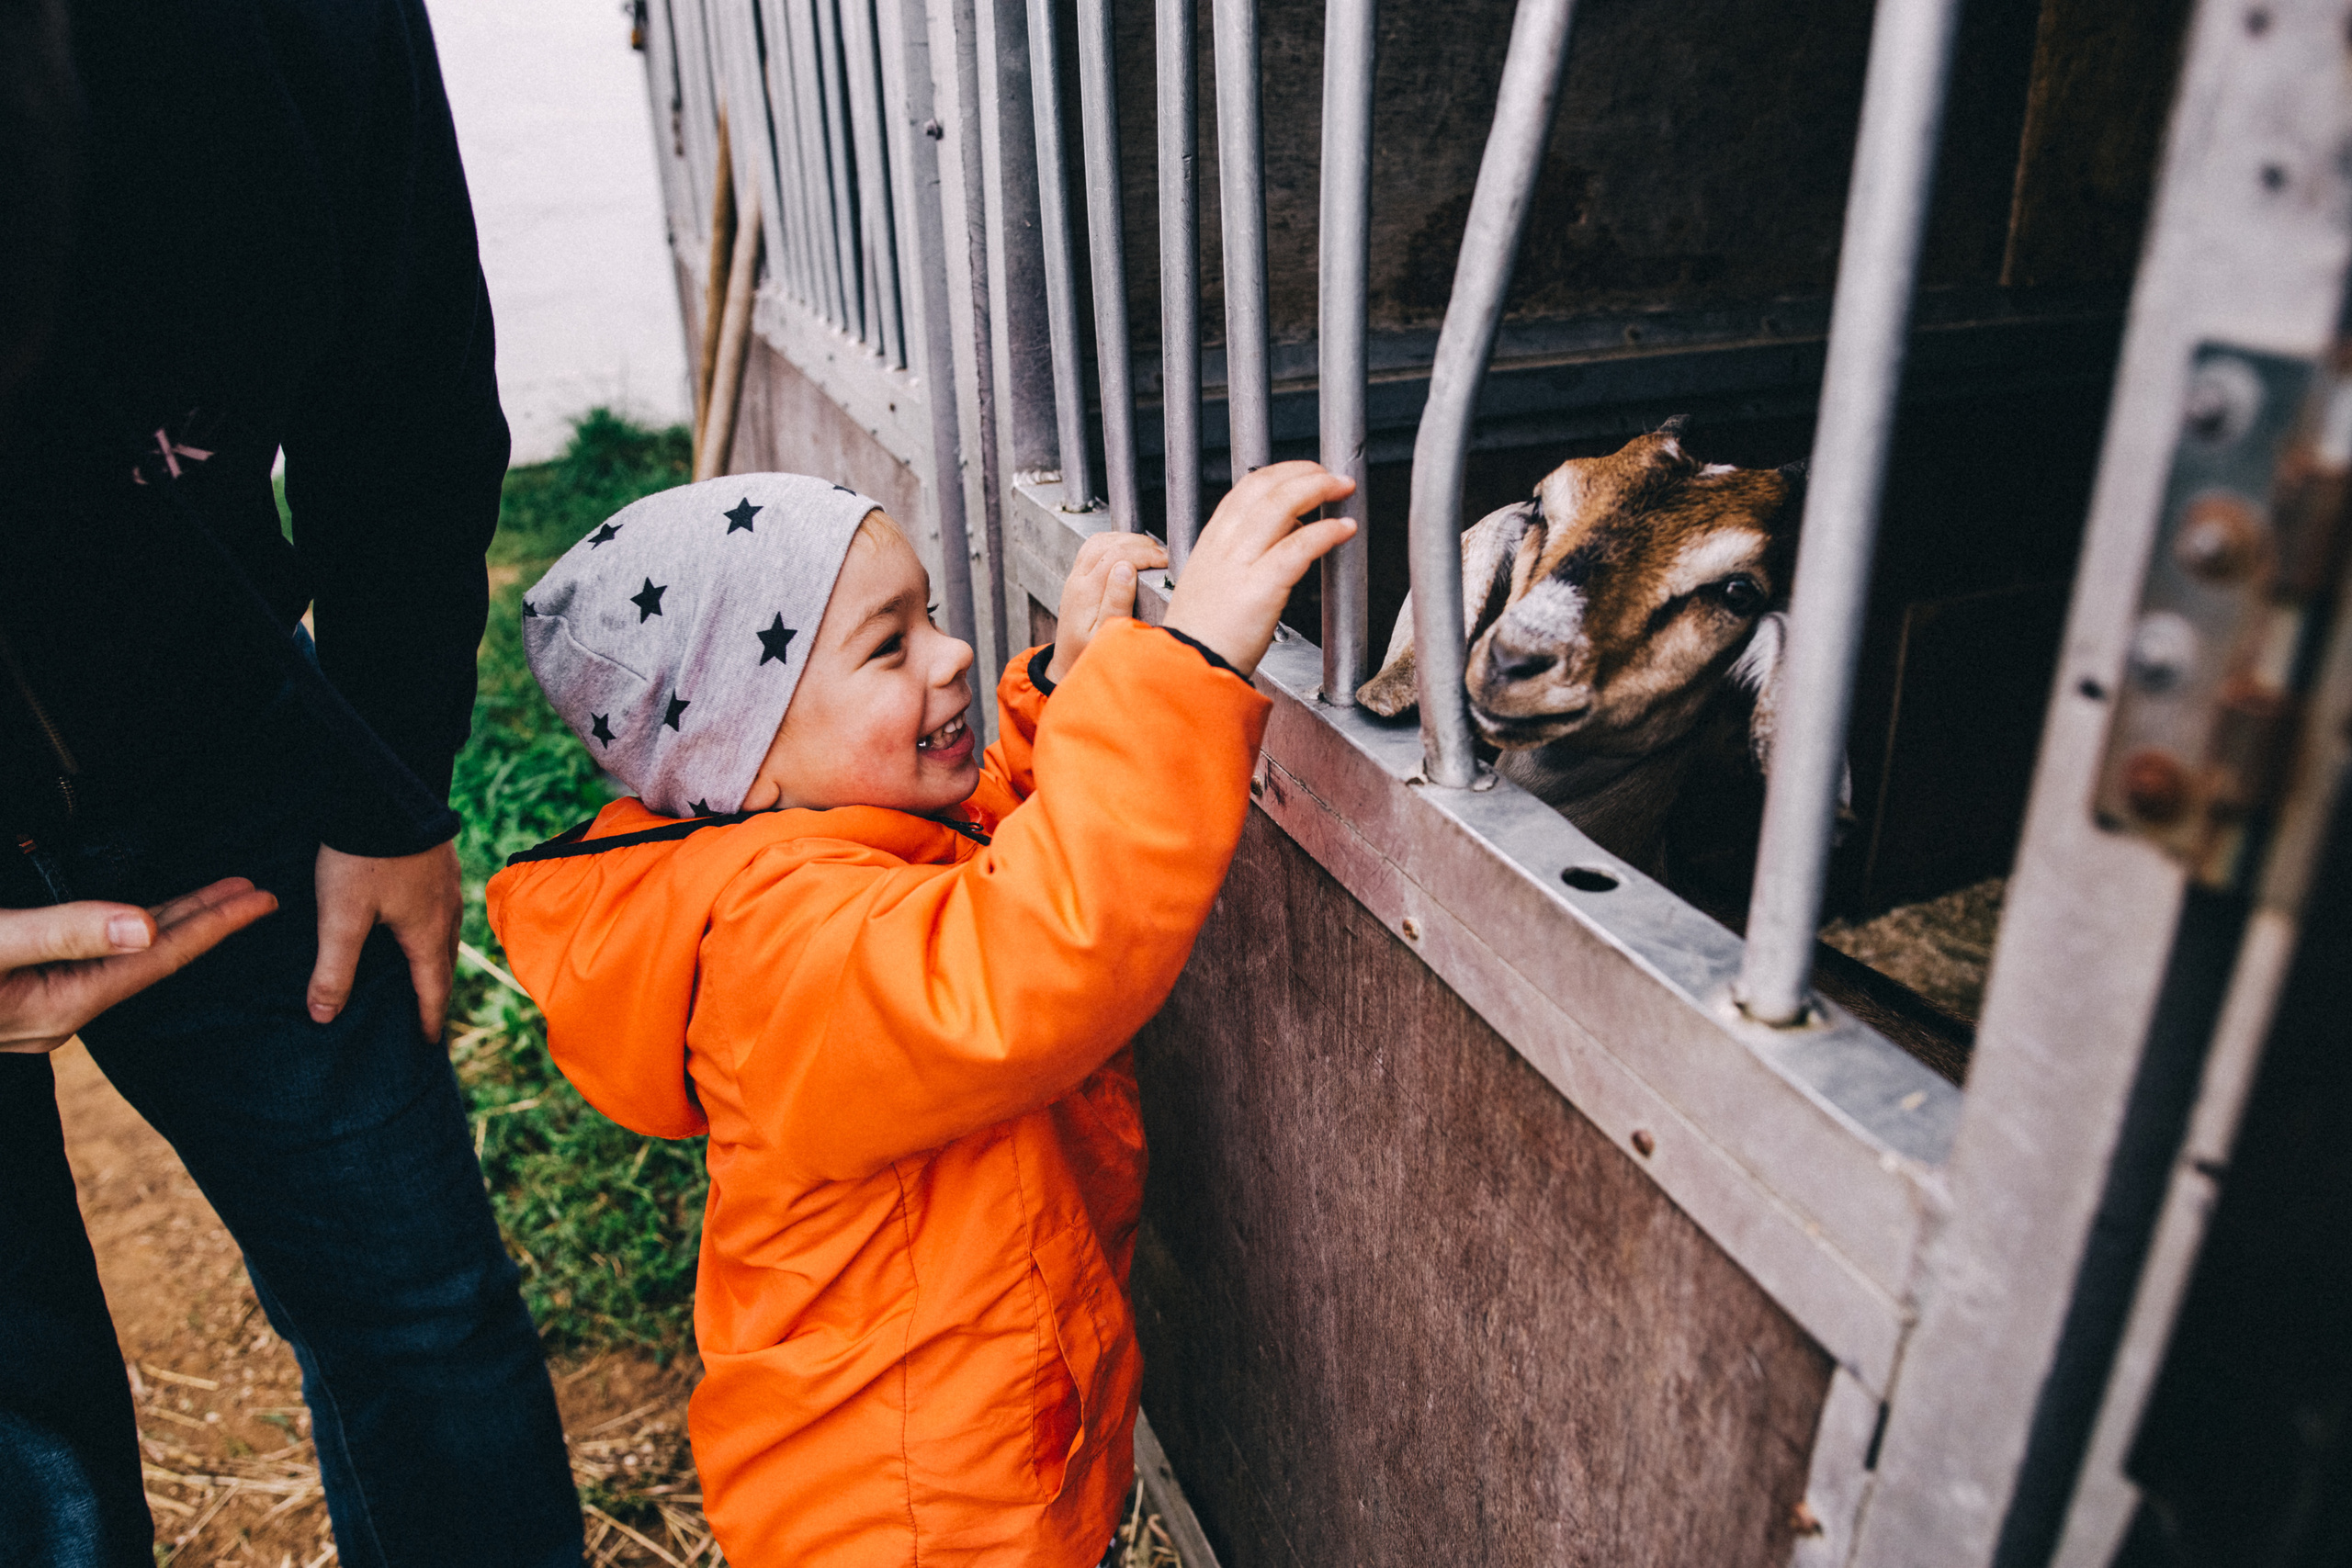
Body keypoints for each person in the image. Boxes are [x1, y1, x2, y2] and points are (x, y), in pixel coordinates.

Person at [487, 463, 1354, 1564]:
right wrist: (1181, 674)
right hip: (910, 1511)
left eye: (929, 616)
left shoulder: (820, 855)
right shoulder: (774, 949)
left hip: (958, 1457)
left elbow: (975, 871)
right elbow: (1027, 958)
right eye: (887, 647)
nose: (951, 655)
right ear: (746, 759)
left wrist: (1065, 704)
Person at [0, 0, 582, 1562]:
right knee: (20, 1433)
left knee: (423, 1314)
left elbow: (407, 372)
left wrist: (387, 775)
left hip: (218, 744)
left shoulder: (295, 31)